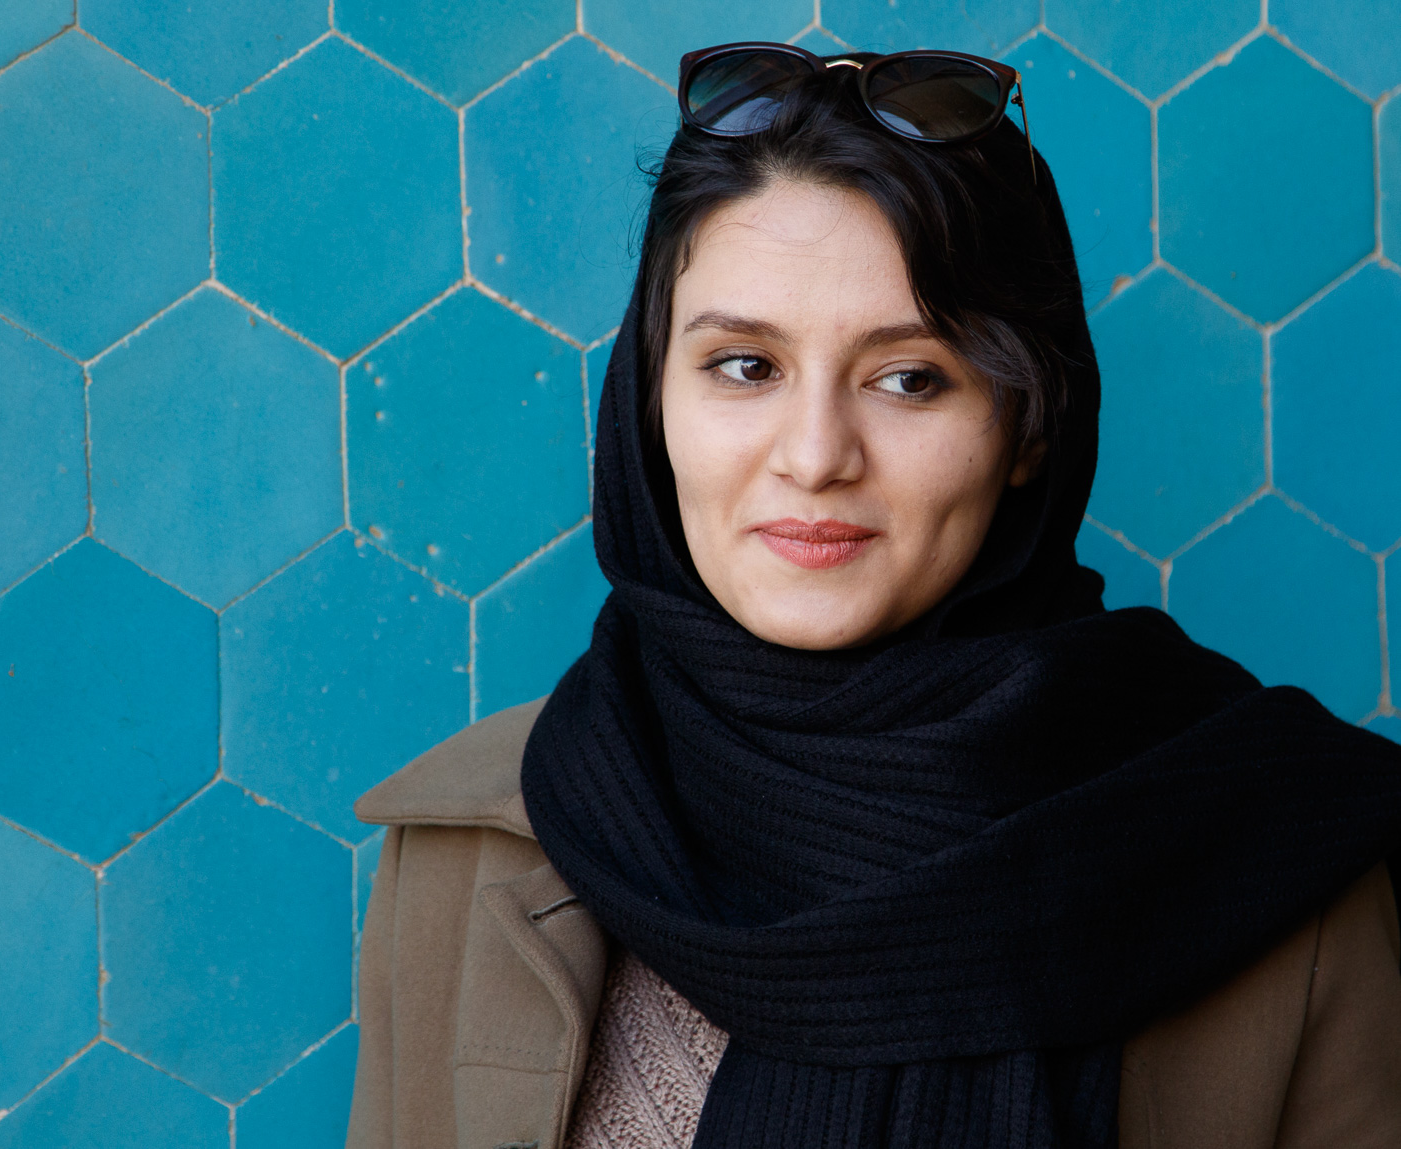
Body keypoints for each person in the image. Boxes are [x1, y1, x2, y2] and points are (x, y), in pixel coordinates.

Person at [346, 44, 1401, 1149]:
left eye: (910, 378)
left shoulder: (1276, 861)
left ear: (1029, 427)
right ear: (648, 397)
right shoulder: (466, 849)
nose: (815, 456)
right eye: (745, 366)